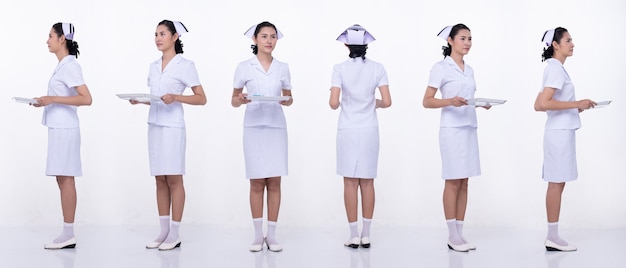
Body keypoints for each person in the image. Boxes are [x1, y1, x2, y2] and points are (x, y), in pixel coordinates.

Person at [131, 20, 206, 251]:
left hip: (173, 127)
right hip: (154, 124)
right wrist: (140, 99)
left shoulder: (186, 65)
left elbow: (201, 98)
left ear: (175, 37)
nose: (157, 38)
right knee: (159, 179)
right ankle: (163, 231)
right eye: (155, 34)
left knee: (174, 178)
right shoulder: (153, 66)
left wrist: (177, 97)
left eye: (162, 34)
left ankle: (175, 232)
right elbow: (157, 97)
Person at [422, 24, 489, 252]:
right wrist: (449, 101)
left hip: (469, 127)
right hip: (451, 130)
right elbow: (427, 100)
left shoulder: (469, 69)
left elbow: (467, 98)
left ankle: (460, 233)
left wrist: (480, 103)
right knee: (452, 180)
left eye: (470, 38)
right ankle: (452, 235)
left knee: (465, 180)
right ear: (450, 41)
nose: (468, 42)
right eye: (463, 38)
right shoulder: (440, 68)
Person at [231, 21, 293, 252]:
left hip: (276, 127)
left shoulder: (283, 67)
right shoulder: (244, 67)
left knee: (275, 181)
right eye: (264, 36)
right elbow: (234, 100)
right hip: (254, 127)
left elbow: (289, 98)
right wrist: (242, 99)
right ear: (255, 39)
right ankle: (258, 235)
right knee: (257, 181)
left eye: (273, 37)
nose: (269, 41)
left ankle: (273, 235)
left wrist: (286, 99)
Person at [328, 24, 391, 249]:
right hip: (369, 129)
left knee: (349, 180)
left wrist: (346, 100)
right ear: (366, 45)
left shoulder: (339, 69)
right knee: (367, 181)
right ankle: (366, 234)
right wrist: (370, 102)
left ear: (346, 45)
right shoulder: (378, 68)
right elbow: (387, 101)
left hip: (347, 129)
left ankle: (353, 234)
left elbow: (334, 103)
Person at [534, 27, 595, 252]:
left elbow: (542, 103)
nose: (572, 44)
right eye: (568, 40)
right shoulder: (555, 70)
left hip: (561, 131)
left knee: (558, 183)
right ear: (555, 45)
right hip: (558, 135)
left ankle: (553, 235)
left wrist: (576, 108)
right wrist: (576, 104)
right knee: (556, 183)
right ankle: (552, 236)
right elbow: (542, 105)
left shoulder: (555, 69)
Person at [34, 22, 92, 249]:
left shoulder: (70, 66)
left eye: (50, 36)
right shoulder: (62, 66)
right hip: (59, 128)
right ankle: (67, 232)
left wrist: (53, 99)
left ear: (61, 39)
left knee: (66, 178)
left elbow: (86, 99)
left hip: (66, 130)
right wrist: (45, 102)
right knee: (61, 178)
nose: (47, 40)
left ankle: (69, 234)